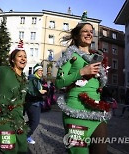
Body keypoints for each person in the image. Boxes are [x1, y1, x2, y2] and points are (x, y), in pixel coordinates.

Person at [55, 12, 111, 154]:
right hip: (76, 111)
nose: (89, 34)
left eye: (91, 32)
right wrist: (81, 72)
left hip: (97, 111)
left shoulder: (97, 57)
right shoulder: (70, 54)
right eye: (85, 31)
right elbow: (59, 83)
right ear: (76, 35)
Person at [24, 63, 47, 144]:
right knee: (35, 122)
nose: (41, 72)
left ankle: (21, 131)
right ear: (36, 71)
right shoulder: (33, 79)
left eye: (42, 70)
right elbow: (32, 91)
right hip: (32, 103)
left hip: (35, 102)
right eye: (39, 70)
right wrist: (40, 92)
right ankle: (26, 136)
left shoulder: (37, 79)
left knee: (31, 121)